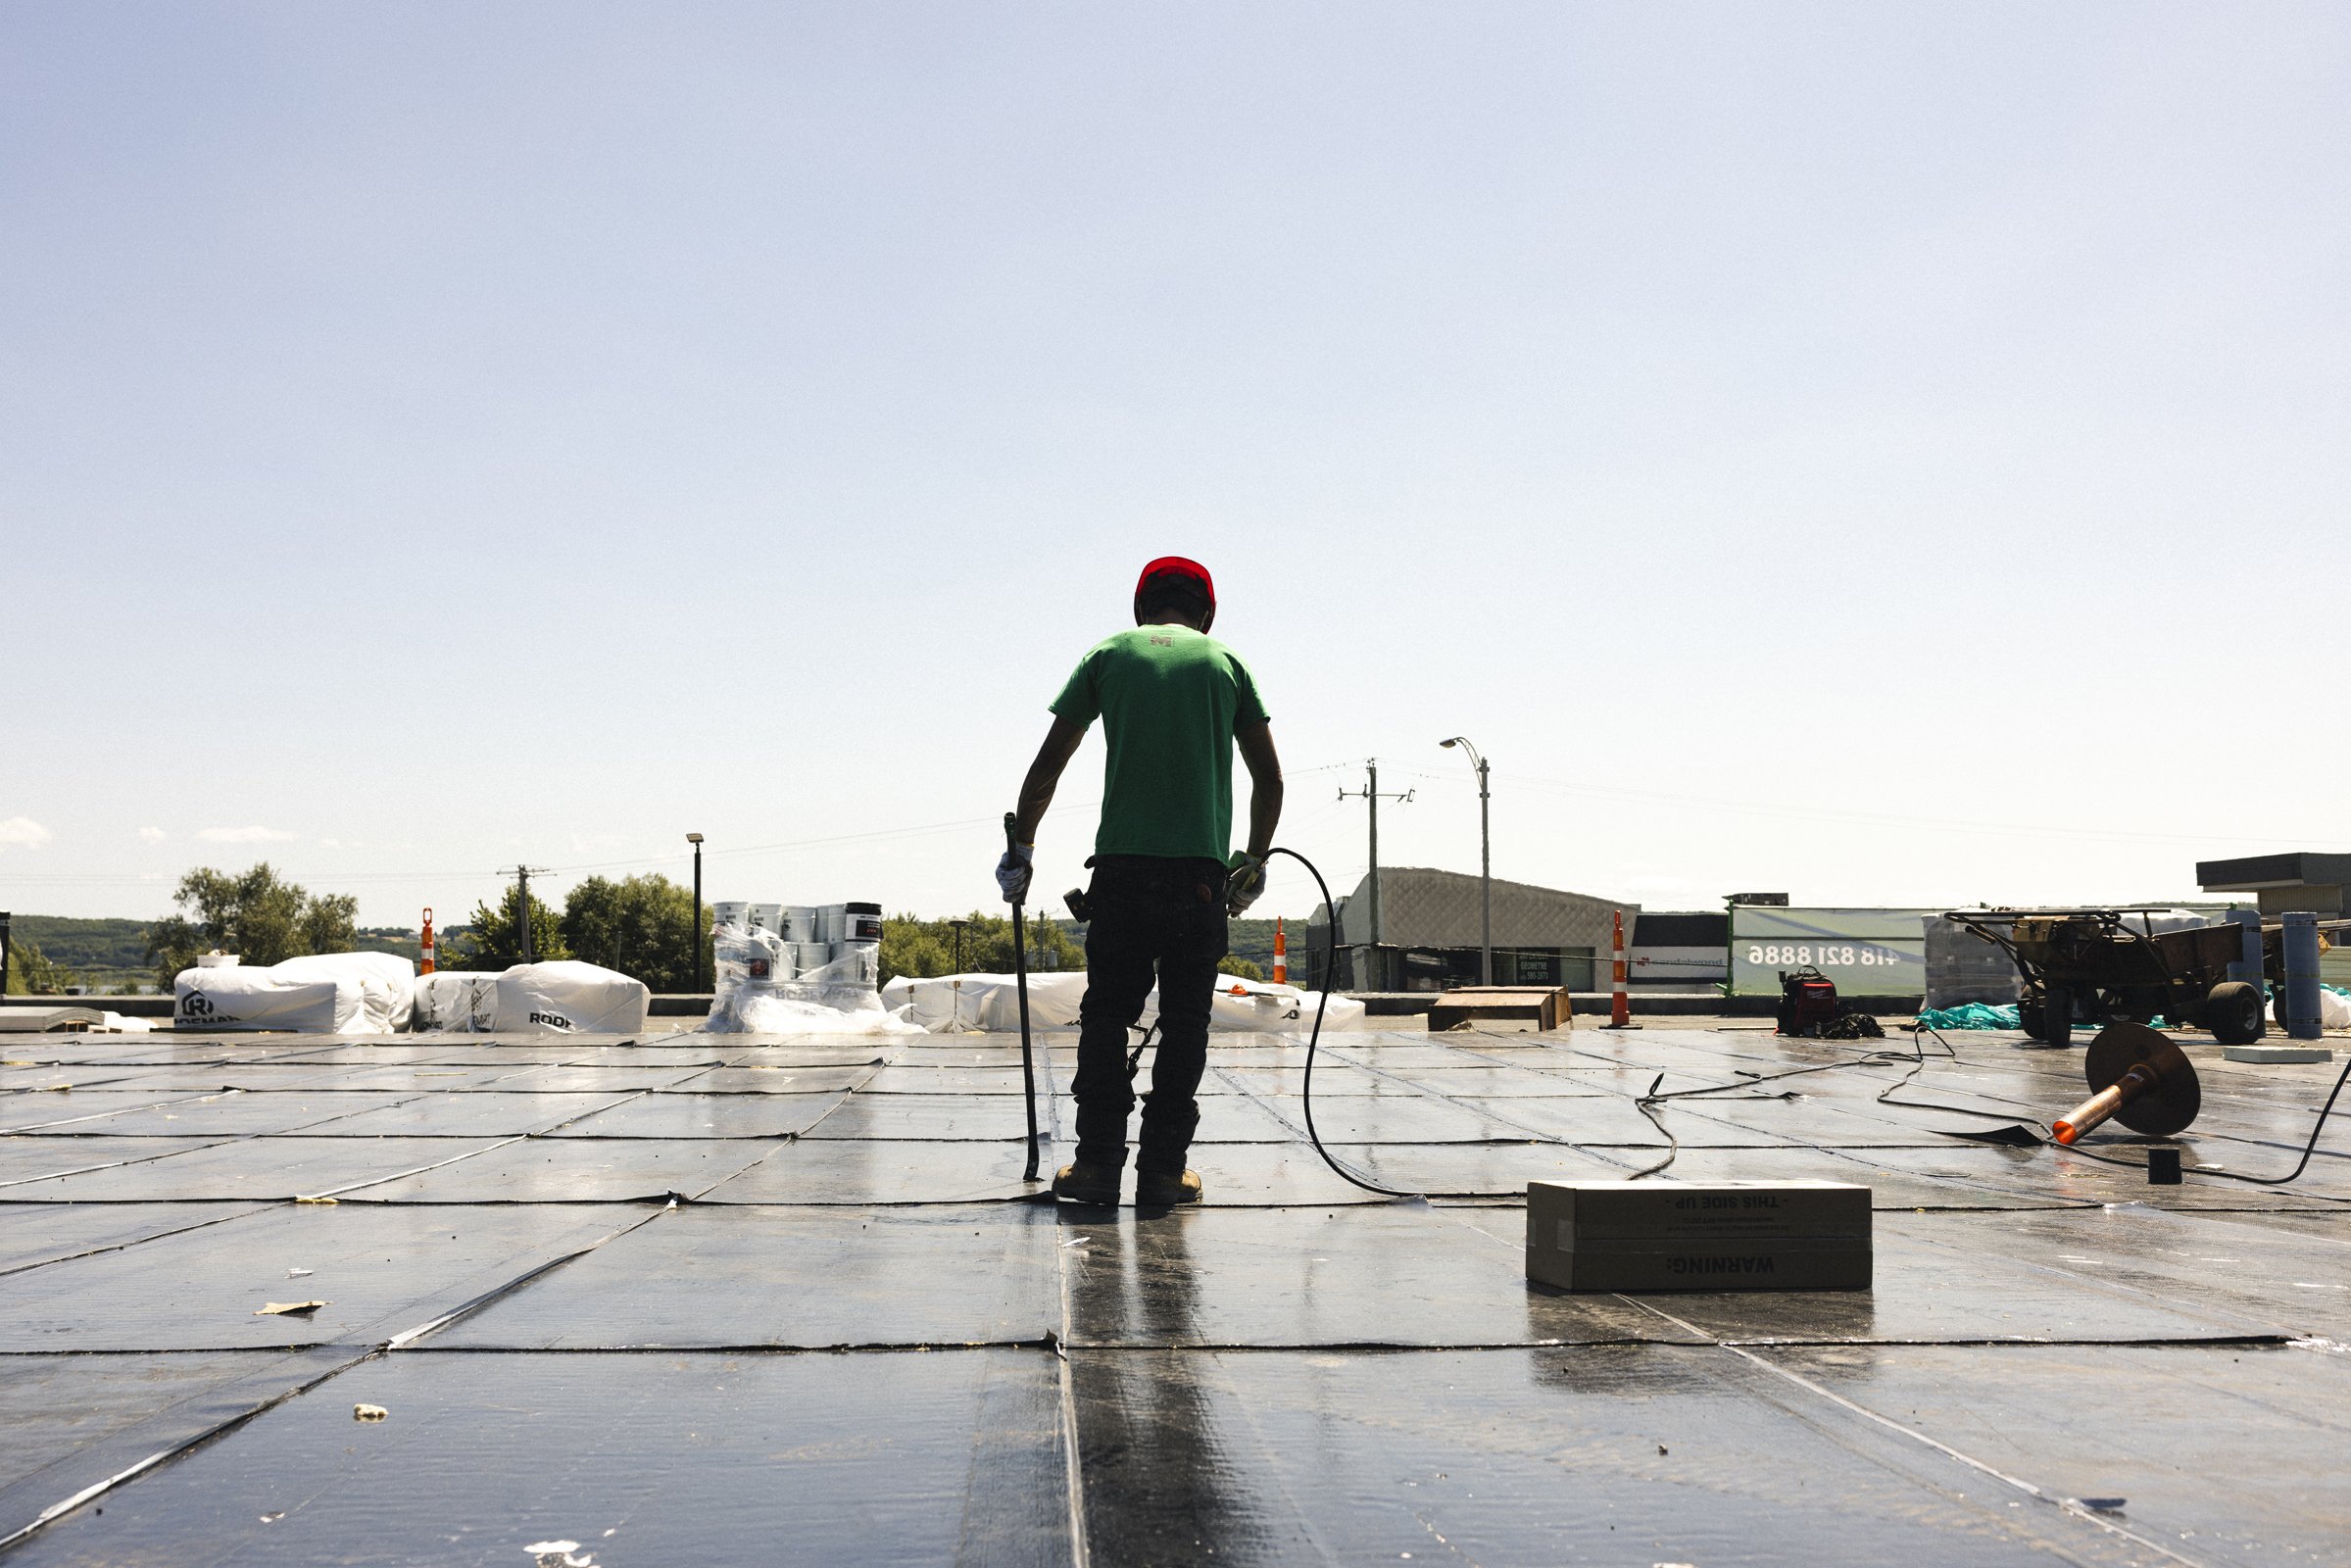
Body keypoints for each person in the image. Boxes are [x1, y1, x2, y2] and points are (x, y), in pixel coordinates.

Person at [998, 557, 1283, 1206]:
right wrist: (1254, 862)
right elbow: (1269, 777)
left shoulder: (1108, 655)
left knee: (1106, 1016)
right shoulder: (1225, 665)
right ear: (1206, 613)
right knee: (1185, 1023)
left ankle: (1096, 1167)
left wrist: (1022, 846)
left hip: (1122, 874)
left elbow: (1049, 763)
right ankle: (1162, 1171)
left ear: (1139, 608)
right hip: (1200, 881)